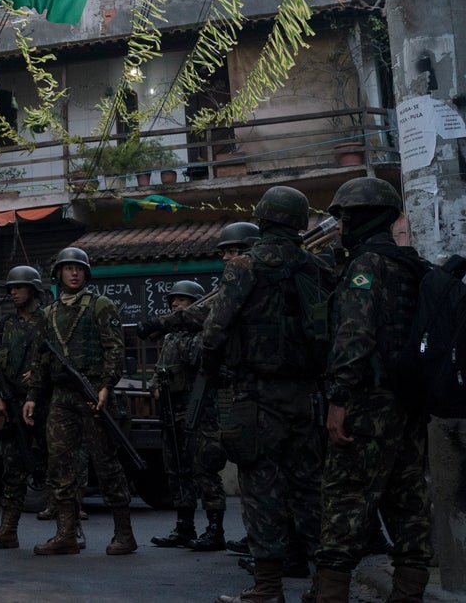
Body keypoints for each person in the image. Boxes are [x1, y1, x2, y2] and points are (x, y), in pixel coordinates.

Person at [201, 185, 333, 603]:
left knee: (261, 492)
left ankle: (268, 588)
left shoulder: (244, 267)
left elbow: (215, 328)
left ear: (263, 218)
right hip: (307, 396)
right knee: (310, 490)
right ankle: (327, 588)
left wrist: (211, 362)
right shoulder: (314, 266)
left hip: (256, 396)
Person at [311, 178, 433, 602]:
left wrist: (338, 399)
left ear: (363, 218)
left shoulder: (366, 266)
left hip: (368, 402)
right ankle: (408, 593)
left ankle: (329, 594)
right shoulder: (411, 264)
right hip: (409, 402)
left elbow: (355, 336)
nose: (341, 226)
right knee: (408, 502)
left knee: (345, 500)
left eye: (345, 217)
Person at [22, 247, 136, 557]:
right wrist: (33, 397)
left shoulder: (100, 305)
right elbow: (40, 360)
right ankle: (66, 534)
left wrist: (106, 386)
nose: (74, 273)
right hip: (61, 397)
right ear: (58, 273)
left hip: (92, 395)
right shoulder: (48, 313)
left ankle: (124, 534)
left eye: (79, 268)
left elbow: (115, 349)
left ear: (86, 273)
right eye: (68, 268)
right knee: (59, 464)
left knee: (107, 463)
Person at [141, 280, 227, 551]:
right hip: (172, 413)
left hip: (199, 412)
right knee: (177, 470)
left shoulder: (204, 335)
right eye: (173, 301)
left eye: (183, 300)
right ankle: (184, 527)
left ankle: (215, 529)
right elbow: (161, 370)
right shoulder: (169, 339)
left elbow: (203, 363)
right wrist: (155, 385)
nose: (176, 305)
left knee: (205, 470)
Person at [0, 265, 50, 550]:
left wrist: (39, 374)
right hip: (12, 404)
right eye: (10, 288)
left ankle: (70, 529)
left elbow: (61, 359)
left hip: (45, 404)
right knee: (13, 469)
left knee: (57, 467)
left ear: (32, 289)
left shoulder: (47, 320)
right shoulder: (3, 325)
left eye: (18, 288)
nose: (13, 292)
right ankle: (8, 530)